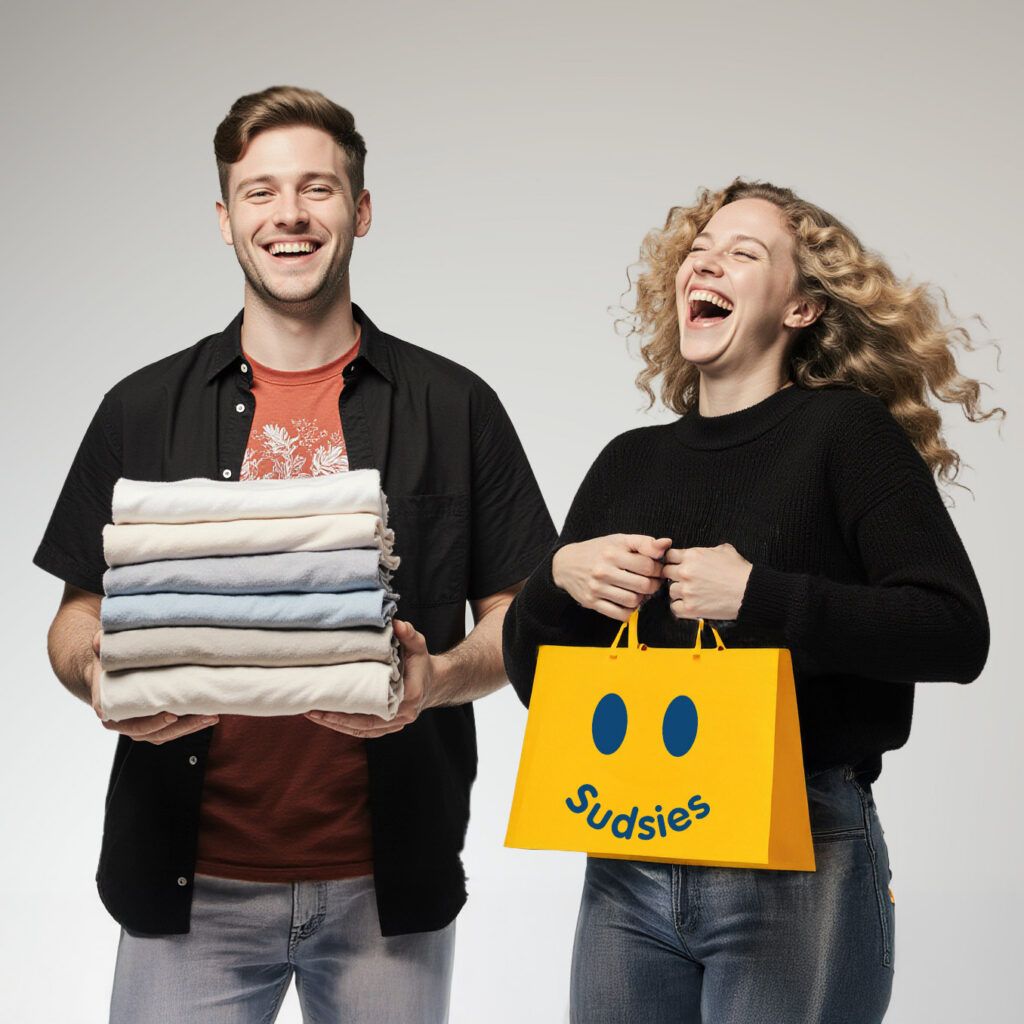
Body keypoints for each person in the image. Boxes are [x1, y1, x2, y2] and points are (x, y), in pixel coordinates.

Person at [36, 85, 556, 1024]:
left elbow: (520, 614)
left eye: (317, 189)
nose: (289, 215)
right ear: (226, 217)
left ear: (359, 210)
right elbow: (76, 618)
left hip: (387, 885)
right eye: (261, 191)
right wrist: (100, 676)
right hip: (187, 885)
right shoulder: (141, 409)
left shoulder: (455, 405)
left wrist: (434, 679)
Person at [502, 179, 995, 1024]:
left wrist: (760, 598)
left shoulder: (846, 435)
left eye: (744, 253)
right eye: (699, 251)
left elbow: (954, 633)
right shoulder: (628, 461)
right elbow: (541, 686)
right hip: (630, 848)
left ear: (800, 308)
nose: (708, 262)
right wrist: (555, 585)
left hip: (799, 847)